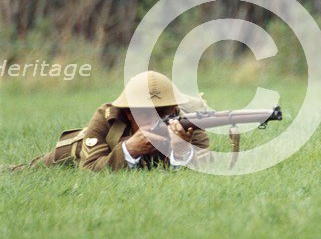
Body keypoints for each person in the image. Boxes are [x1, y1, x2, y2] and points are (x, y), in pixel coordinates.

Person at [8, 71, 210, 172]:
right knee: (28, 170)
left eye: (165, 111)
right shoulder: (108, 118)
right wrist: (129, 150)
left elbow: (204, 169)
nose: (161, 119)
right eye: (150, 113)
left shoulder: (187, 123)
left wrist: (181, 150)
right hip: (75, 151)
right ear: (130, 114)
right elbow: (89, 170)